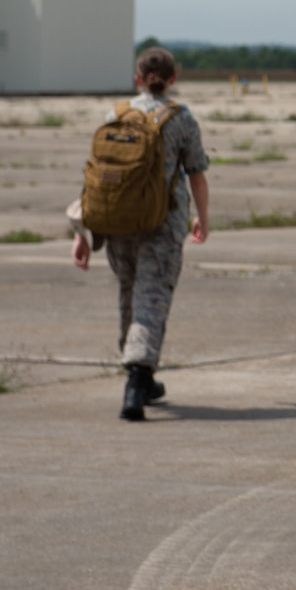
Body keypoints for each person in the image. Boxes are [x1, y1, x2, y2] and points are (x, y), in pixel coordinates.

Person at [69, 47, 210, 422]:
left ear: (137, 78)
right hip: (162, 225)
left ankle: (141, 376)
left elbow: (97, 180)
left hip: (117, 226)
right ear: (173, 78)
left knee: (129, 294)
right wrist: (202, 218)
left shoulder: (115, 115)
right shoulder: (180, 118)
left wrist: (82, 233)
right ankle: (137, 376)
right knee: (152, 298)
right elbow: (196, 172)